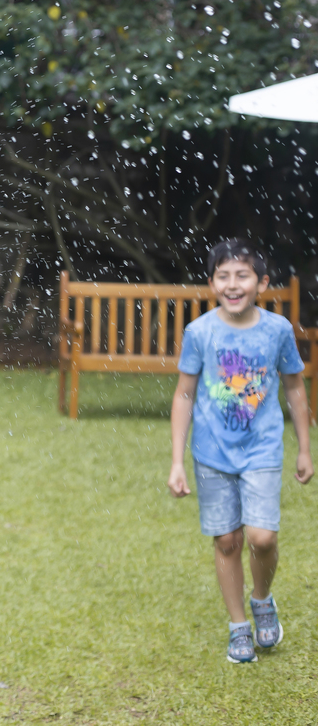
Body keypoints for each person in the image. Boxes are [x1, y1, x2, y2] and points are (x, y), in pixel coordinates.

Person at [167, 238, 312, 663]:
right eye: (223, 276)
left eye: (242, 276)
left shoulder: (278, 331)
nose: (233, 285)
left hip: (262, 449)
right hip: (211, 454)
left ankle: (262, 597)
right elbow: (184, 395)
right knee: (228, 540)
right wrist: (177, 460)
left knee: (262, 538)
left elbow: (294, 387)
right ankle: (238, 627)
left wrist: (305, 448)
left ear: (262, 283)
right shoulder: (200, 332)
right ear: (212, 283)